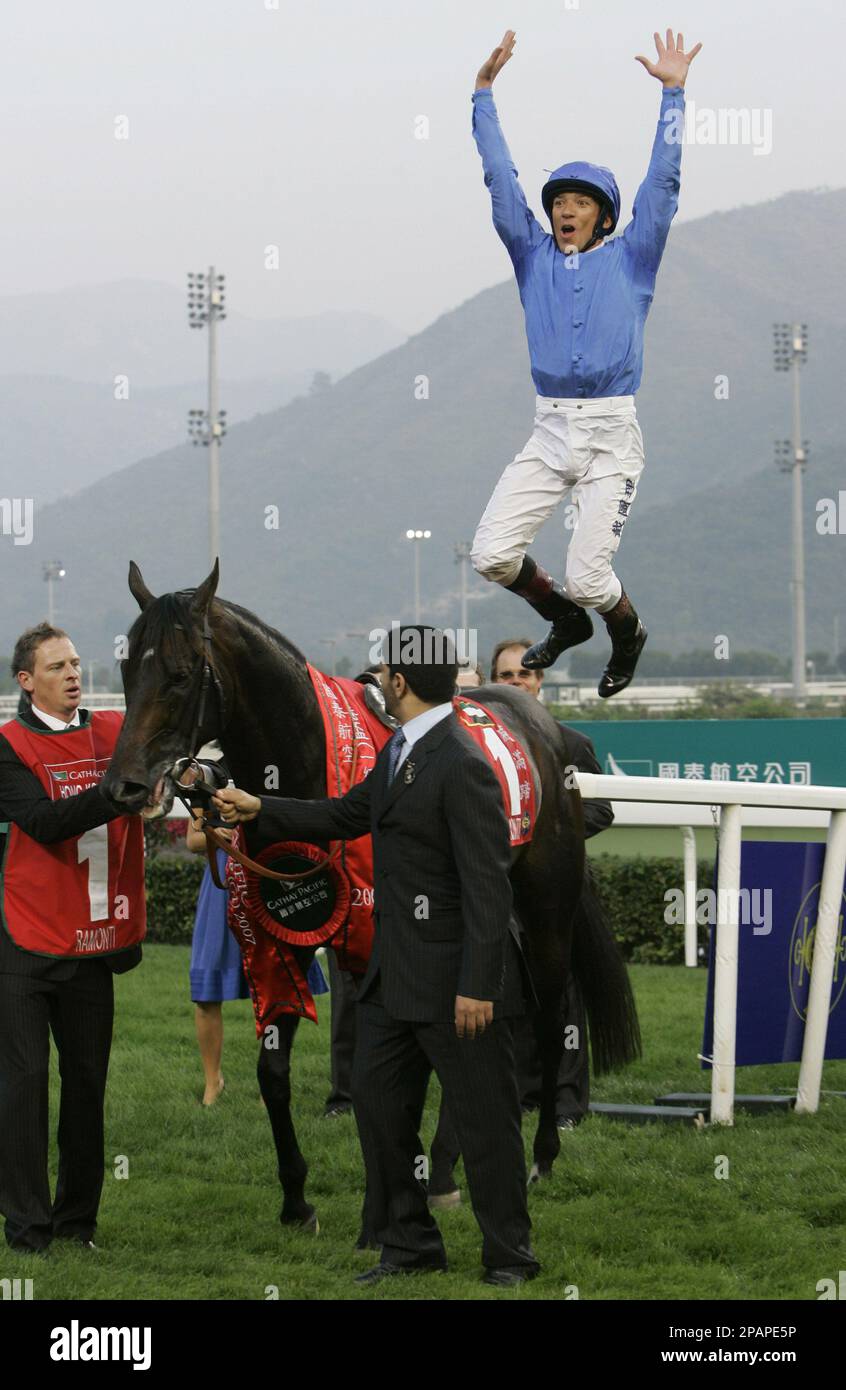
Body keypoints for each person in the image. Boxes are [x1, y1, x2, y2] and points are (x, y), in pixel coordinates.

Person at [214, 627, 539, 1287]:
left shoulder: (462, 763)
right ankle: (410, 1246)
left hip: (459, 987)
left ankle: (510, 1257)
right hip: (394, 981)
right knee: (377, 1107)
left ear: (399, 682)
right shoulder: (400, 752)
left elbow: (488, 884)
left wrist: (479, 985)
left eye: (387, 669)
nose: (381, 678)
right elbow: (342, 816)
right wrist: (257, 807)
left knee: (486, 1125)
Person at [469, 27, 701, 696]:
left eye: (580, 204)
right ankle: (565, 621)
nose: (566, 211)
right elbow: (500, 179)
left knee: (589, 577)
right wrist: (483, 94)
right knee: (490, 554)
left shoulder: (633, 257)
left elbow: (664, 181)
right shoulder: (531, 254)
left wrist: (674, 94)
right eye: (560, 203)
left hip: (610, 434)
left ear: (604, 218)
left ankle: (625, 632)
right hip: (549, 429)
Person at [428, 637, 612, 1205]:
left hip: (550, 895)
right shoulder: (466, 745)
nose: (513, 683)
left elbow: (601, 809)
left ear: (538, 683)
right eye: (503, 674)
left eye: (522, 675)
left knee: (557, 1007)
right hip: (488, 901)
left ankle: (561, 1111)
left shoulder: (568, 742)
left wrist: (549, 840)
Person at [0, 624, 145, 1254]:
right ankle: (27, 1230)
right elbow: (44, 821)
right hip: (24, 941)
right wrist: (117, 792)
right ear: (26, 680)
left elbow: (174, 760)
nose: (73, 673)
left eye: (77, 663)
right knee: (26, 1084)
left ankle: (78, 1222)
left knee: (87, 1085)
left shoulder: (116, 733)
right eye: (56, 666)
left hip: (91, 942)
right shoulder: (6, 746)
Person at [185, 814, 249, 1107]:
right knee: (206, 994)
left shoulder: (276, 770)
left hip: (266, 875)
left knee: (274, 990)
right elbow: (192, 840)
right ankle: (213, 1082)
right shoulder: (204, 773)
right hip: (220, 883)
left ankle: (273, 1079)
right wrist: (217, 835)